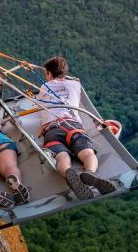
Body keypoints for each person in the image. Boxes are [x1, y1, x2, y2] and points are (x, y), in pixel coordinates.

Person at [37, 56, 116, 199]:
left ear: (48, 73)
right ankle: (91, 172)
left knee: (62, 158)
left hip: (51, 130)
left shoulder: (43, 88)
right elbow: (74, 82)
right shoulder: (75, 85)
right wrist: (74, 80)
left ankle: (68, 171)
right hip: (72, 125)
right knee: (87, 154)